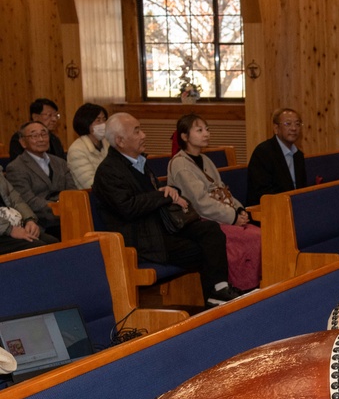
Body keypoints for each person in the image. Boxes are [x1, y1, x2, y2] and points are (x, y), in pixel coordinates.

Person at [93, 113, 240, 307]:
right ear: (120, 141)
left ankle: (219, 290)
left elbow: (155, 196)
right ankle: (212, 298)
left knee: (210, 230)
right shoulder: (108, 171)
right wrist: (162, 195)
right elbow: (128, 207)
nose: (143, 135)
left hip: (159, 228)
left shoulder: (139, 163)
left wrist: (168, 192)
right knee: (202, 250)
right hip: (140, 239)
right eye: (137, 131)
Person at [168, 114, 261, 291]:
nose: (206, 134)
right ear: (184, 136)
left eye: (207, 129)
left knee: (259, 234)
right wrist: (232, 217)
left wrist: (239, 209)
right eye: (199, 130)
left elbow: (222, 191)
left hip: (221, 215)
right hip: (201, 221)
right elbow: (200, 203)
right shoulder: (180, 164)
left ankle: (254, 285)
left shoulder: (205, 160)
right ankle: (241, 287)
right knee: (250, 238)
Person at [5, 121, 75, 240]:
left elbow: (72, 191)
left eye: (44, 134)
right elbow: (28, 200)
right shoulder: (16, 167)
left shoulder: (60, 162)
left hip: (68, 216)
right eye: (34, 136)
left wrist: (67, 208)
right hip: (41, 222)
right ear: (23, 142)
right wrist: (57, 207)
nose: (41, 139)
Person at [245, 108, 307, 206]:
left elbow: (302, 188)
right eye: (288, 124)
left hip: (294, 207)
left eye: (297, 124)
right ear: (276, 128)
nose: (294, 128)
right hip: (270, 210)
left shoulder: (298, 155)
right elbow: (262, 193)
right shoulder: (263, 153)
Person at [0, 170, 57, 255]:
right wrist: (9, 229)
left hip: (11, 224)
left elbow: (16, 199)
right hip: (4, 230)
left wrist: (29, 220)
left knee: (53, 243)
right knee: (38, 248)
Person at [66, 103, 109, 189]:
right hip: (91, 197)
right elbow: (89, 183)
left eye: (104, 119)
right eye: (98, 120)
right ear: (86, 123)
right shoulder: (77, 150)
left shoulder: (108, 143)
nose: (103, 124)